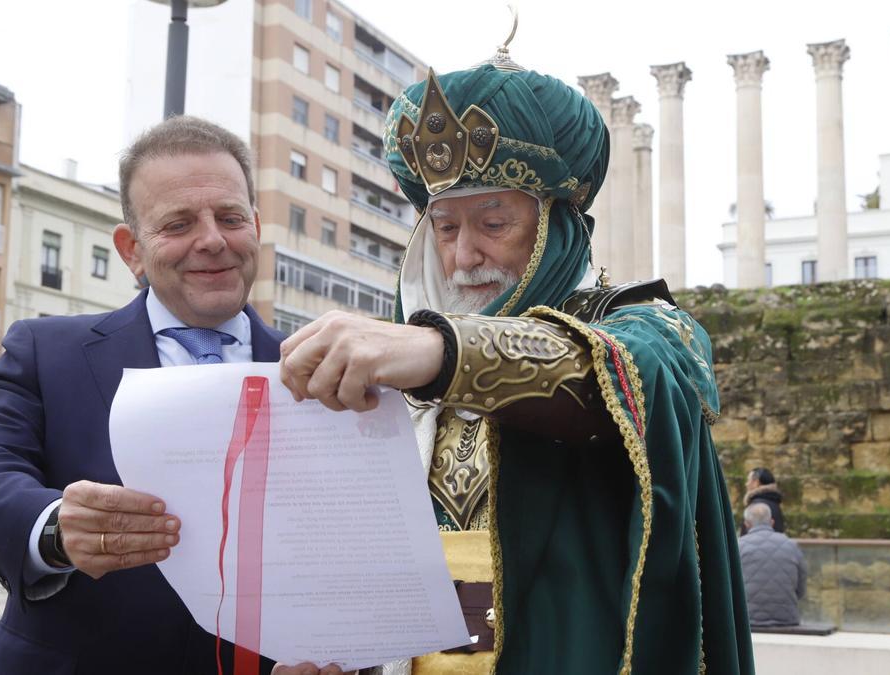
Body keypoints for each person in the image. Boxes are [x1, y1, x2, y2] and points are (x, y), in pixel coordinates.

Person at [277, 44, 754, 674]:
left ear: (556, 226)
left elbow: (623, 373)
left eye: (493, 223)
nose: (464, 255)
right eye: (445, 229)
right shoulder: (394, 373)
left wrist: (442, 349)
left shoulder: (649, 327)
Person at [0, 116, 340, 675]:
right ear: (131, 249)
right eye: (178, 223)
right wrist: (56, 527)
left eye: (229, 218)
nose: (212, 240)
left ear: (254, 226)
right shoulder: (47, 351)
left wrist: (341, 653)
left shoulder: (321, 374)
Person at [738, 503, 806, 628]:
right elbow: (801, 589)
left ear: (747, 524)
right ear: (772, 522)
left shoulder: (739, 546)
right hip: (788, 619)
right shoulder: (791, 545)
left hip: (749, 619)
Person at [740, 466, 786, 537]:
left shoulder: (755, 506)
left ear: (756, 482)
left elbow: (745, 535)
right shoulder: (774, 503)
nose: (746, 484)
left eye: (748, 480)